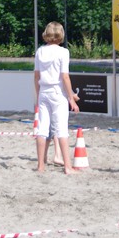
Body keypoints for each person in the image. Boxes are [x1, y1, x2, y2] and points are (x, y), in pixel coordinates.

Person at [34, 21, 80, 174]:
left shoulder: (40, 51)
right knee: (61, 129)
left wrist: (38, 95)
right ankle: (67, 166)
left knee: (42, 129)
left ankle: (40, 166)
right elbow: (65, 77)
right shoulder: (63, 52)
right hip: (57, 93)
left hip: (44, 91)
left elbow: (36, 76)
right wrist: (71, 98)